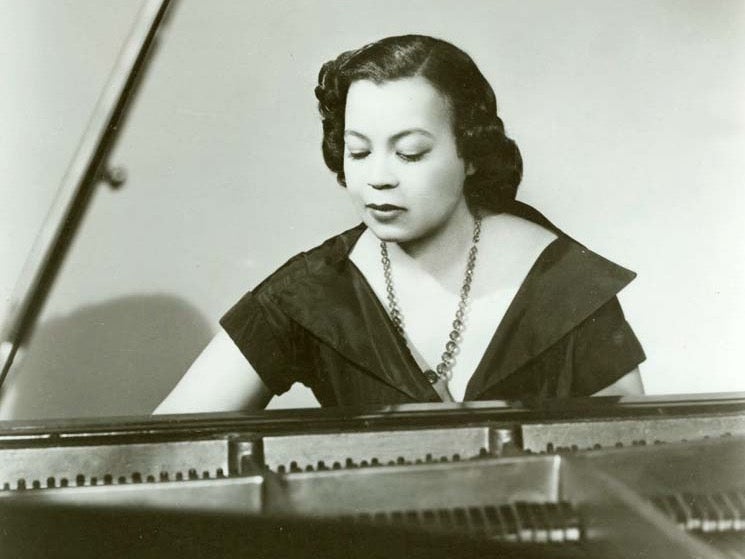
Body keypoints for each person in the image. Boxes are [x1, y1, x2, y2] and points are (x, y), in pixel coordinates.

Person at [154, 35, 645, 414]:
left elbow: (636, 466)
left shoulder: (566, 284)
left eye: (410, 153)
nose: (378, 179)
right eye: (359, 152)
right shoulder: (311, 290)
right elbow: (161, 451)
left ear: (470, 154)